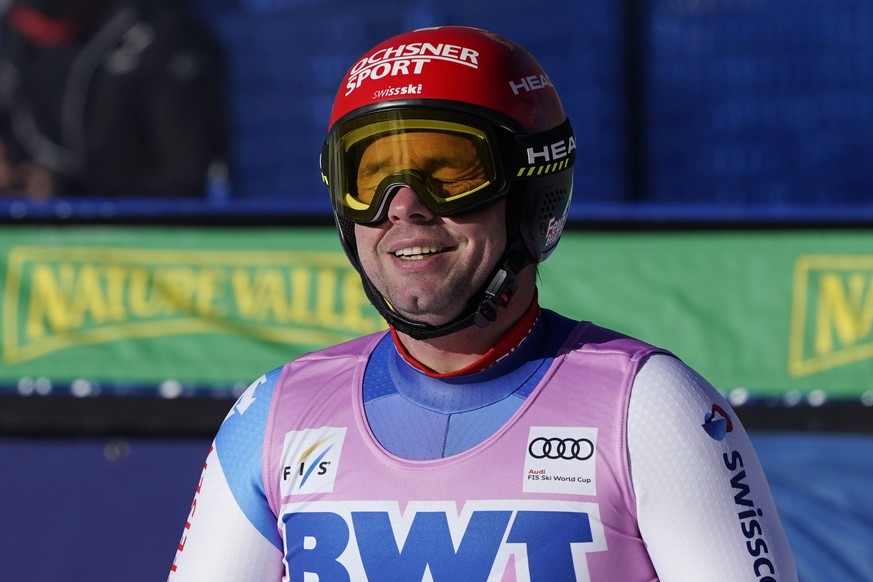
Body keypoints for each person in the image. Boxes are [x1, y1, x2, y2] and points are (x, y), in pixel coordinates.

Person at [169, 26, 797, 581]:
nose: (404, 205)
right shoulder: (275, 415)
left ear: (532, 191)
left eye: (448, 172)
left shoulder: (649, 408)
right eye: (371, 175)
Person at [0, 0, 227, 199]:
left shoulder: (165, 31)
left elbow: (185, 178)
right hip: (23, 226)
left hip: (132, 230)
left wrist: (63, 189)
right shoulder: (14, 30)